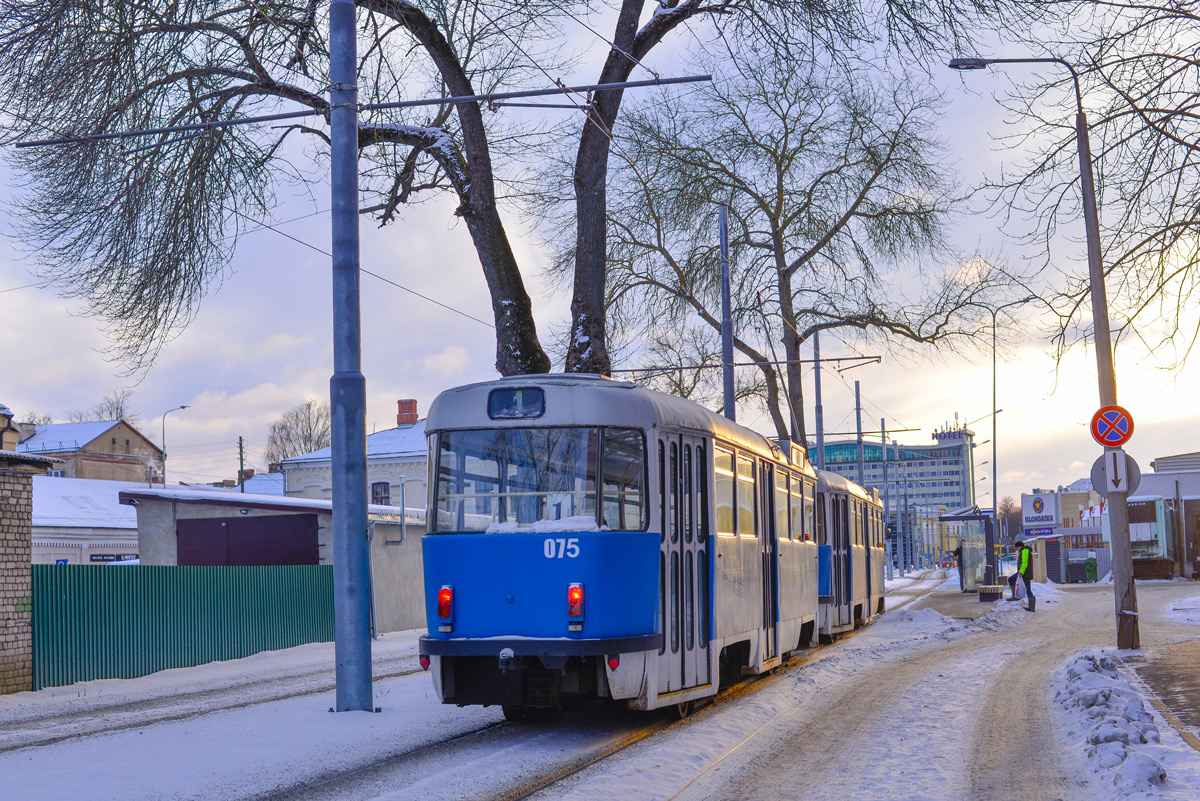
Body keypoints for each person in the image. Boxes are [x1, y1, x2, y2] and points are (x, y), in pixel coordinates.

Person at [1007, 537, 1036, 611]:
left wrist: (1021, 572)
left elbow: (1025, 563)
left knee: (1011, 580)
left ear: (1020, 546)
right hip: (1025, 573)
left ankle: (1016, 597)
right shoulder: (1024, 551)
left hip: (1025, 573)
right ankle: (1031, 607)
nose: (1017, 549)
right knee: (1028, 589)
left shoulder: (1025, 551)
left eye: (1017, 548)